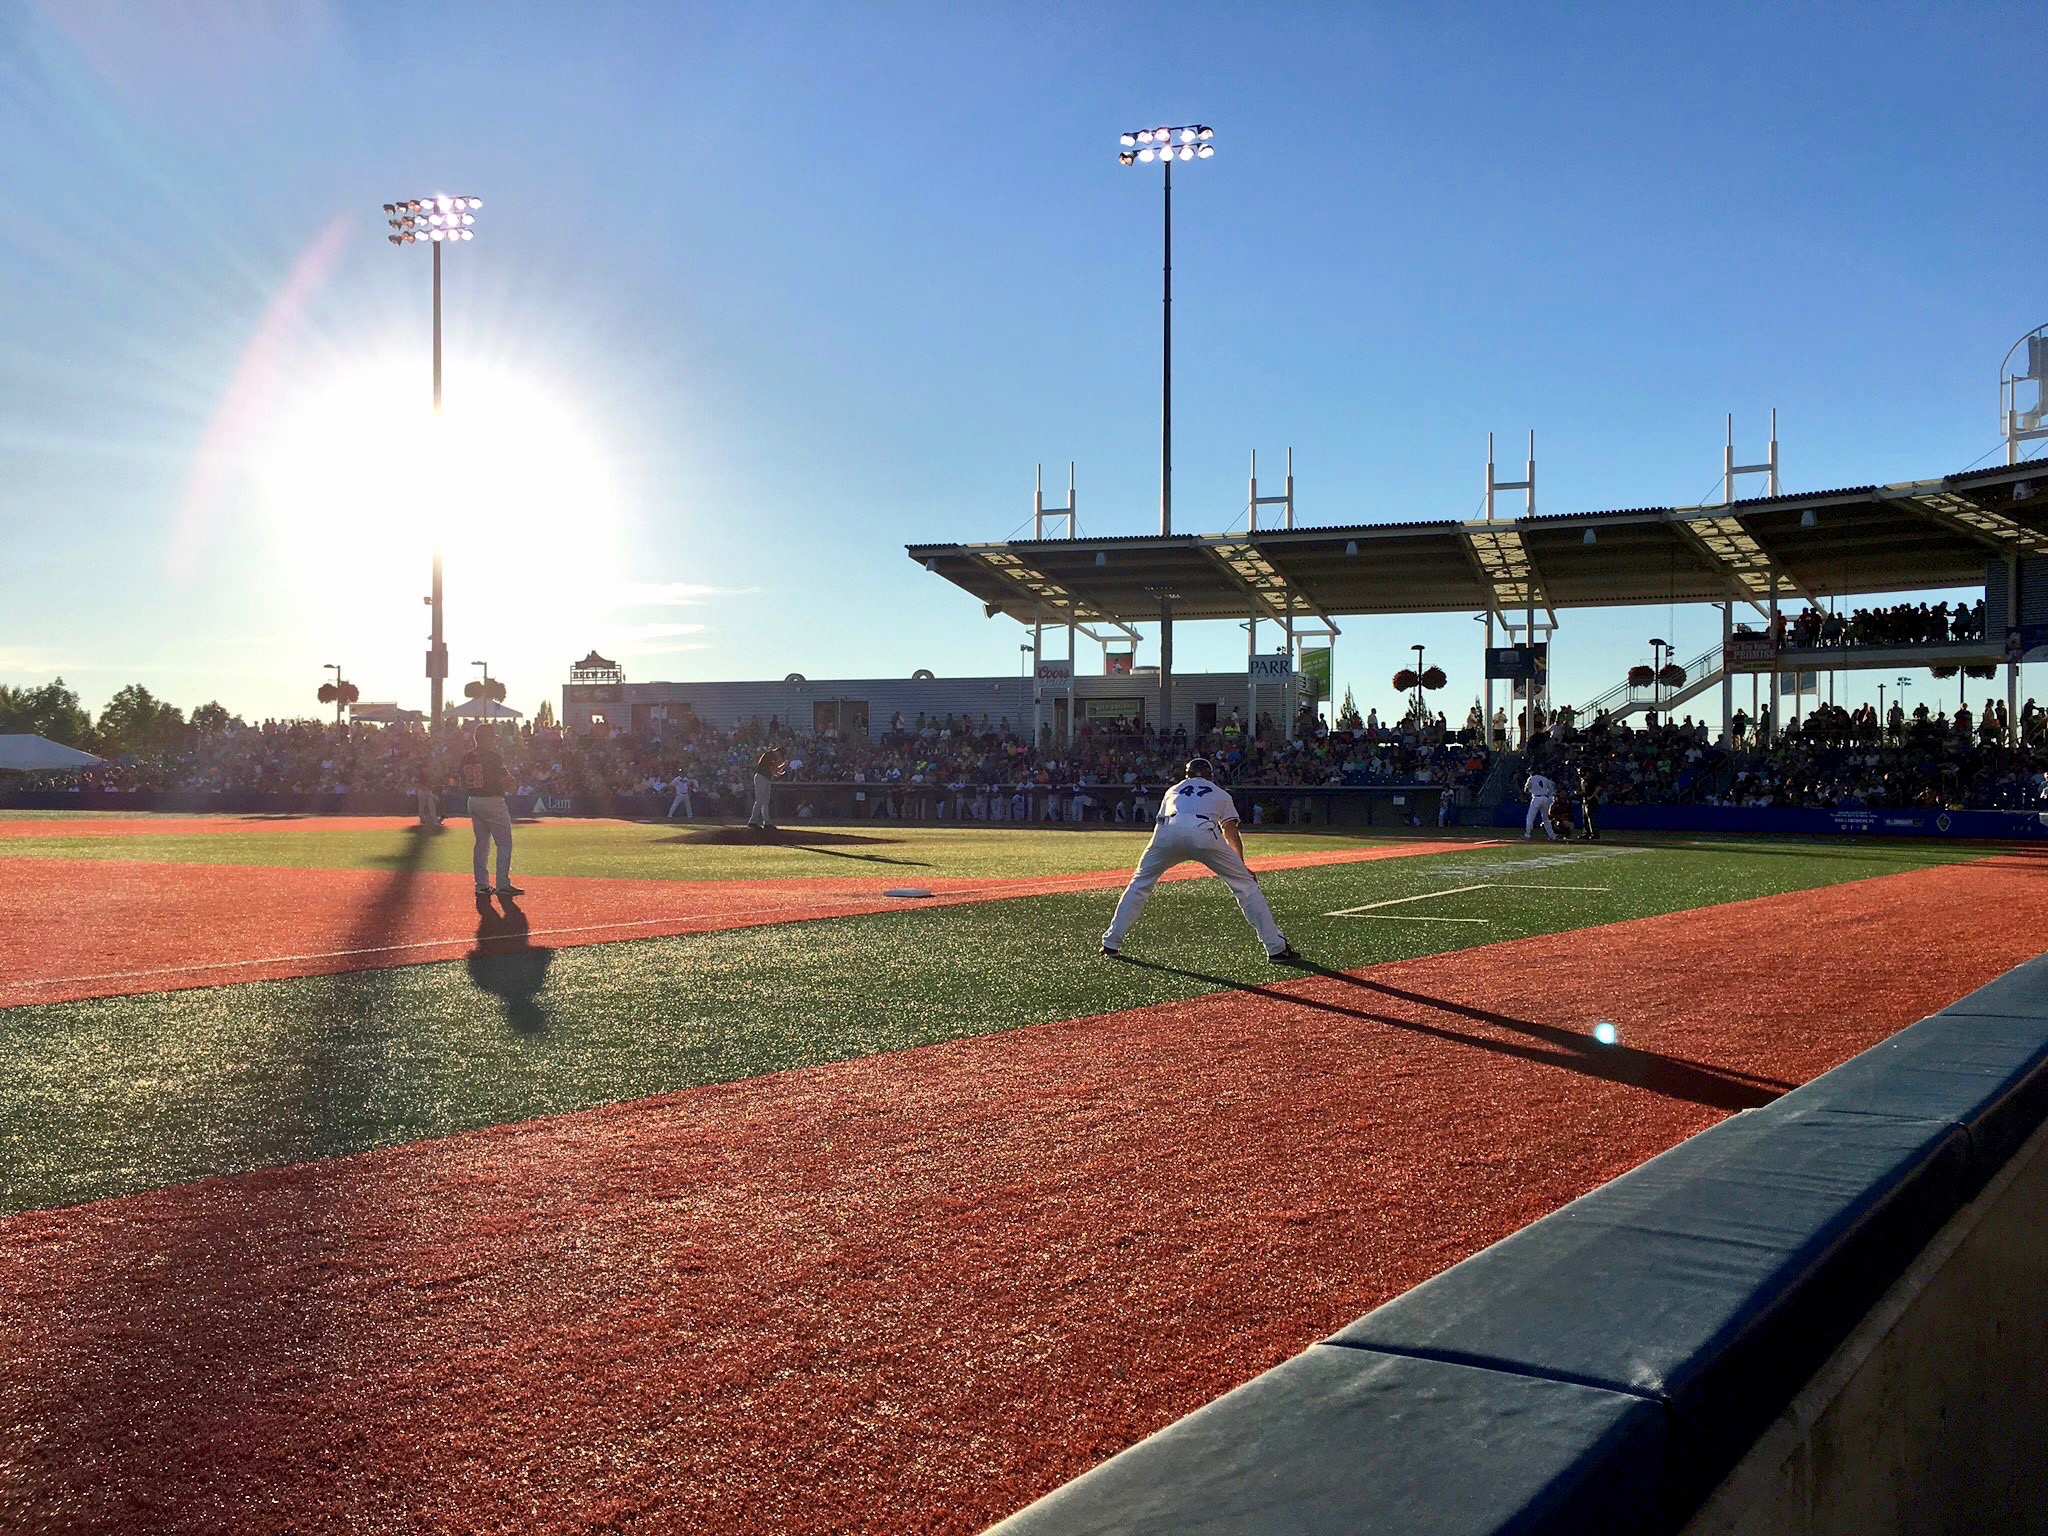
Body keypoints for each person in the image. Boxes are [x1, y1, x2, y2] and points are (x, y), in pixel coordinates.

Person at [1100, 758, 1299, 962]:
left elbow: (1160, 822)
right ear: (1210, 775)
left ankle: (1111, 942)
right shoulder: (1220, 793)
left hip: (1167, 831)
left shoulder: (1172, 790)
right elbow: (1230, 830)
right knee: (1246, 886)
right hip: (1203, 831)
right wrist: (1241, 866)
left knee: (1139, 884)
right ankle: (1276, 948)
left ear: (1187, 775)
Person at [460, 723, 522, 896]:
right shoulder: (493, 757)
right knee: (504, 843)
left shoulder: (466, 757)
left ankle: (481, 884)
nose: (493, 741)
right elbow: (506, 781)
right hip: (492, 801)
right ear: (483, 738)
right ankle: (502, 884)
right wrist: (513, 784)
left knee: (481, 844)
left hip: (473, 800)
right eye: (491, 738)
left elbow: (462, 781)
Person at [747, 746, 785, 832]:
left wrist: (782, 767)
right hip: (761, 777)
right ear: (778, 752)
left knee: (765, 802)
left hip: (766, 778)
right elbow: (774, 770)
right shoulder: (769, 755)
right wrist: (783, 765)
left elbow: (775, 772)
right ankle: (752, 821)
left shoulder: (773, 757)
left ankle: (766, 822)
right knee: (759, 800)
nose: (780, 757)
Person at [1524, 765, 1558, 840]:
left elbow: (1526, 789)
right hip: (1545, 798)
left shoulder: (1531, 778)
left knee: (1530, 817)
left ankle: (1527, 834)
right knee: (1545, 818)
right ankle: (1552, 836)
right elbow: (1551, 790)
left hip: (1536, 798)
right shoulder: (1545, 779)